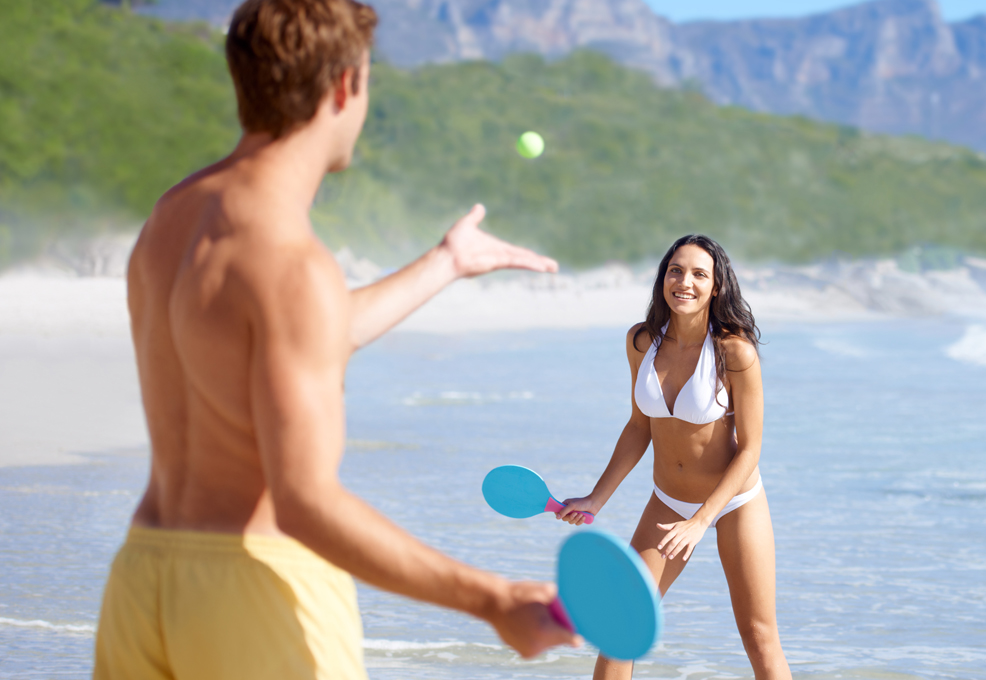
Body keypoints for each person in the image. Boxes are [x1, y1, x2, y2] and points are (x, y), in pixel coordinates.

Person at [91, 1, 579, 678]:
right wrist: (492, 598)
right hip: (253, 588)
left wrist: (445, 262)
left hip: (143, 576)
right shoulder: (293, 264)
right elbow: (306, 503)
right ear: (346, 85)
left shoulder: (170, 222)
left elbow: (282, 342)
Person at [556, 235, 792, 680]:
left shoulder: (734, 352)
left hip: (735, 504)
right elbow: (638, 427)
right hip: (668, 502)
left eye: (699, 274)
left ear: (717, 286)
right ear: (663, 277)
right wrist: (595, 499)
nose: (685, 282)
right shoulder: (641, 342)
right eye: (676, 270)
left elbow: (751, 450)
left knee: (759, 636)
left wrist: (701, 520)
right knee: (618, 627)